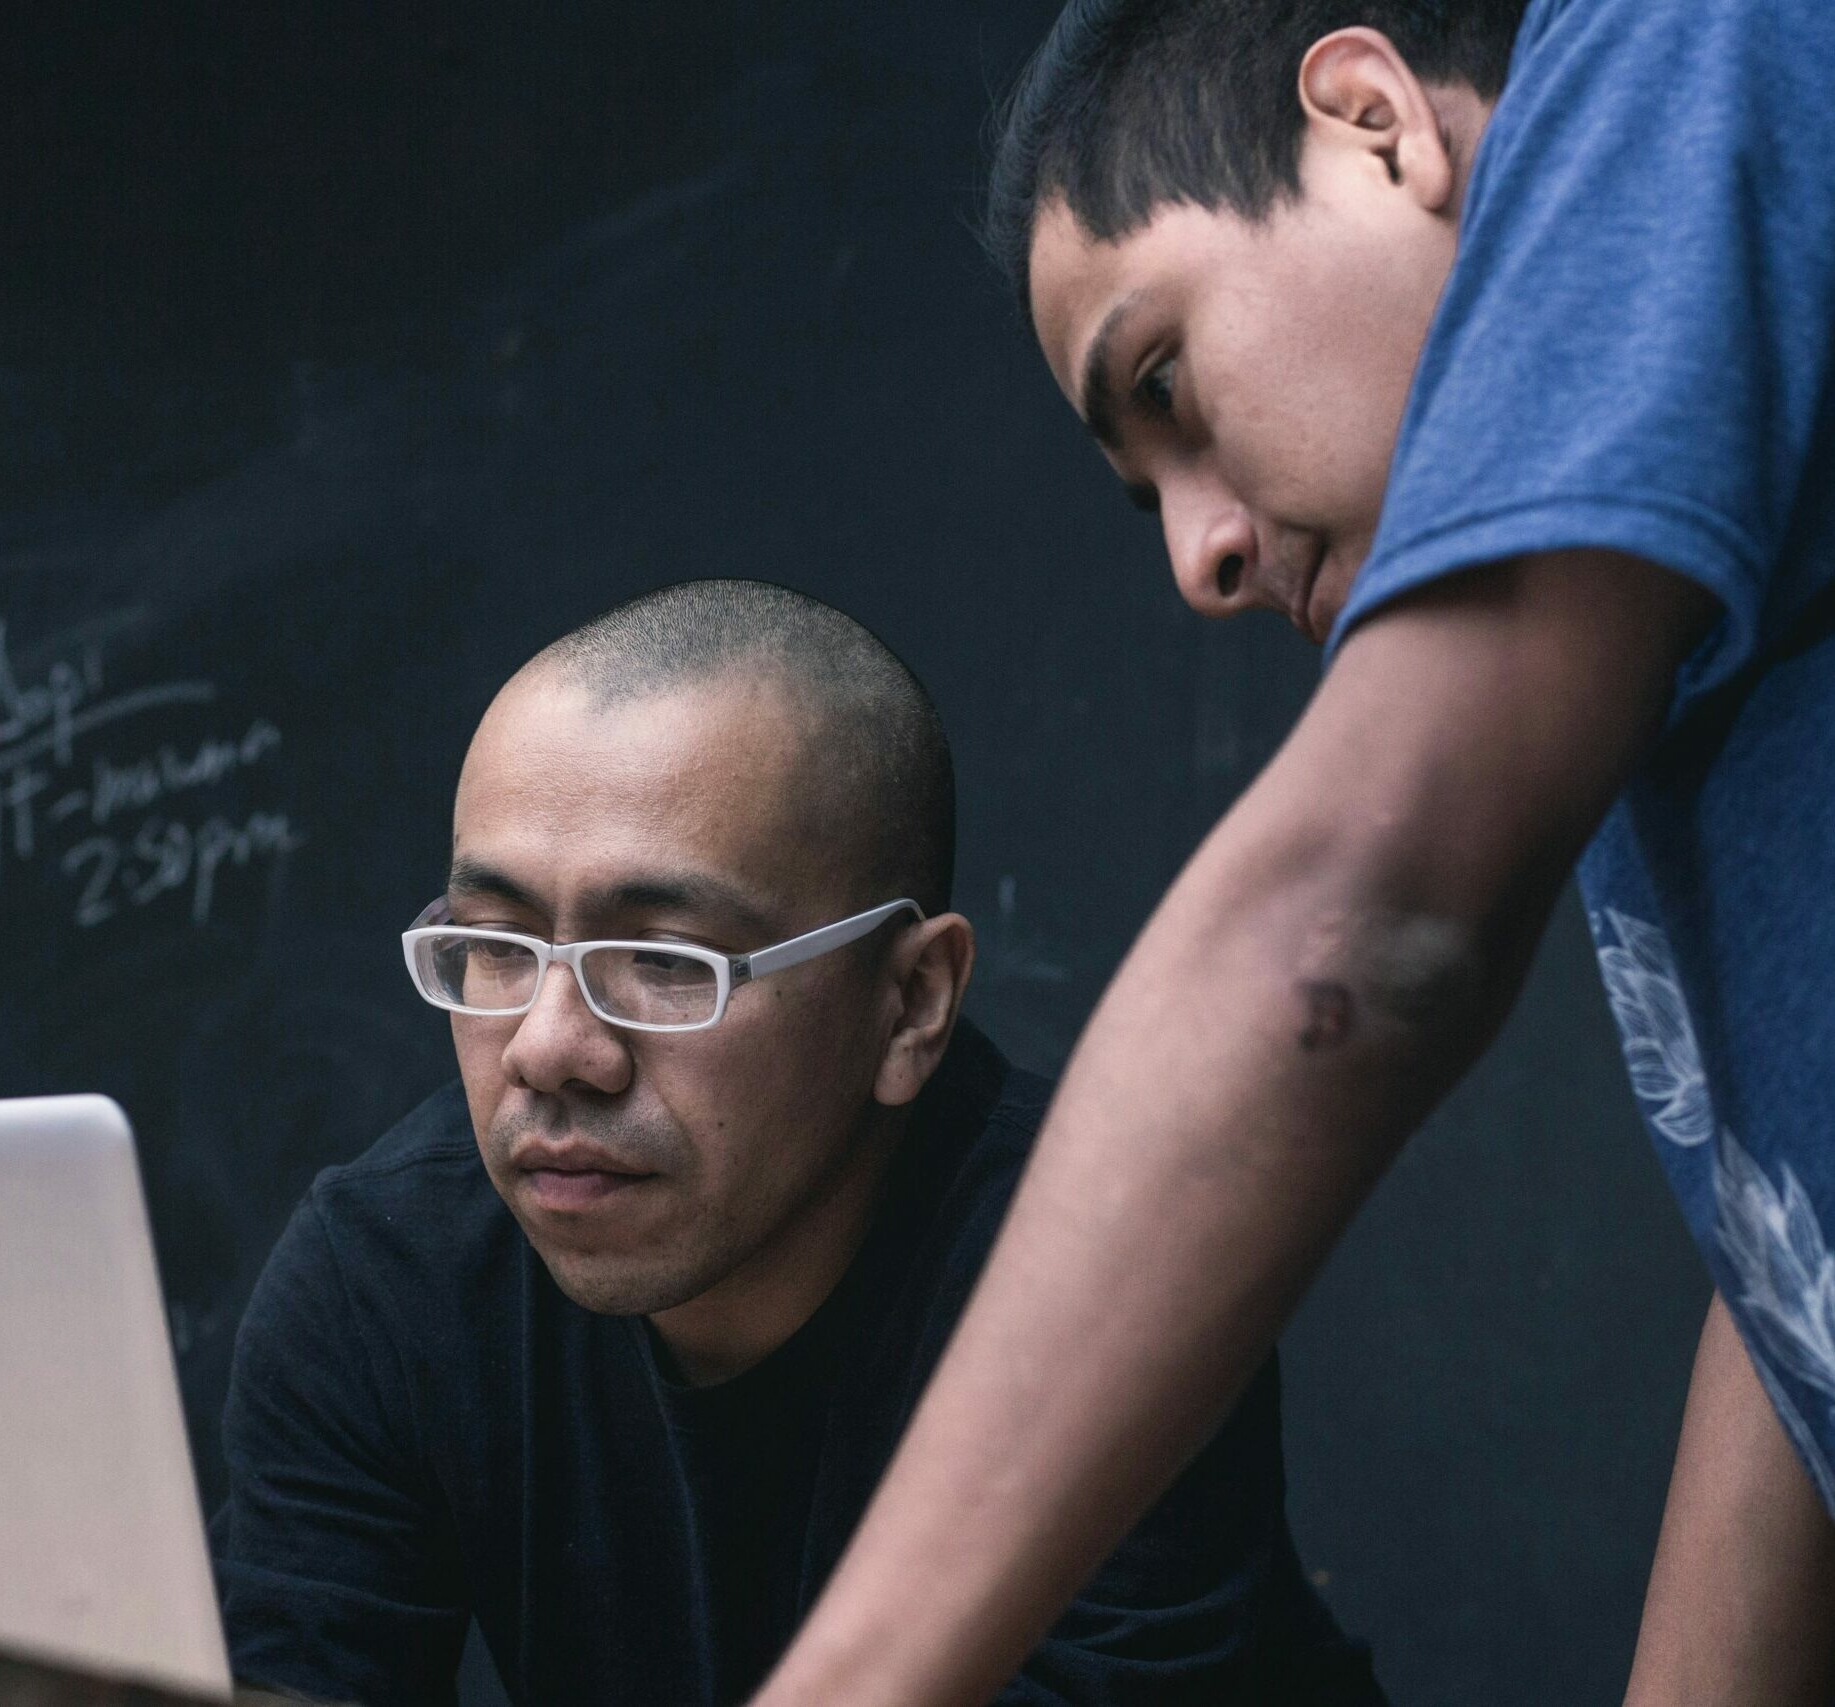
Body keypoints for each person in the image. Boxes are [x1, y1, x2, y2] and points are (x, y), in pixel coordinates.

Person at [748, 3, 1835, 1706]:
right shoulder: (1681, 660)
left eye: (1164, 385)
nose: (1200, 555)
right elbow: (1789, 1272)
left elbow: (1350, 935)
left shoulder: (1681, 39)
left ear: (1370, 119)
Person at [211, 580, 1383, 1707]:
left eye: (669, 963)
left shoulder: (1100, 1282)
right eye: (496, 947)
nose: (548, 1048)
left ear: (910, 1003)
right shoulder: (385, 1279)